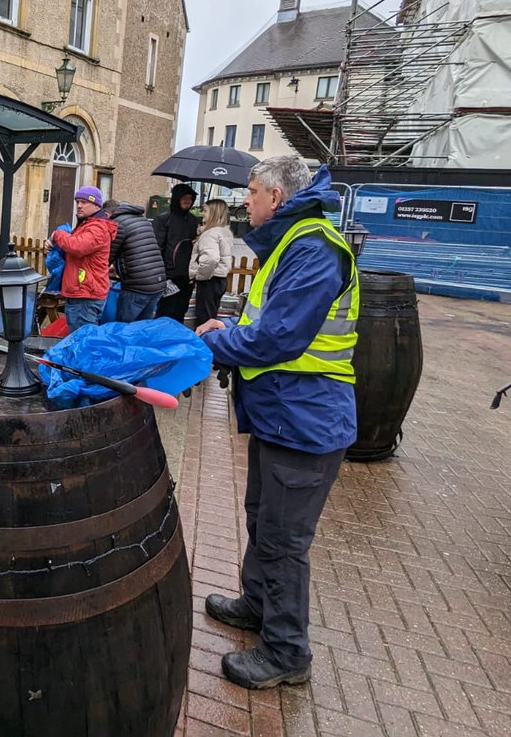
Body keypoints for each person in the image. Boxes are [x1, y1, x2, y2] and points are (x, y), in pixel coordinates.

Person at [194, 155, 359, 690]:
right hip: (282, 415)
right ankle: (257, 604)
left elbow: (279, 338)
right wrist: (229, 323)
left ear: (277, 198)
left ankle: (287, 652)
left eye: (252, 191)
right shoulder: (292, 243)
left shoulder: (313, 249)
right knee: (262, 518)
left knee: (285, 538)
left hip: (306, 418)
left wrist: (215, 345)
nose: (245, 201)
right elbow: (265, 318)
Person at [46, 186, 116, 332]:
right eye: (77, 201)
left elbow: (77, 246)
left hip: (86, 294)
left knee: (83, 339)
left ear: (97, 205)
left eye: (84, 202)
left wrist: (57, 235)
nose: (79, 206)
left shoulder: (97, 228)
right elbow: (74, 251)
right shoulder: (86, 224)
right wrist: (56, 247)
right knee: (82, 337)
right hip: (81, 292)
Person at [102, 199, 167, 322]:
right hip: (157, 282)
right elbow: (137, 250)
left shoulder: (117, 223)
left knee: (124, 327)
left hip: (137, 286)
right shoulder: (142, 220)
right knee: (142, 326)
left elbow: (107, 256)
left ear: (107, 214)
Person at [155, 183, 199, 322]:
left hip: (187, 276)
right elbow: (158, 247)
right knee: (166, 310)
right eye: (184, 198)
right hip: (169, 275)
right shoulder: (163, 219)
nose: (188, 201)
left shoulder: (193, 220)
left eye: (190, 198)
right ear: (176, 199)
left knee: (181, 310)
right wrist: (162, 273)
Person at [189, 199, 235, 325]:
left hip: (209, 280)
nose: (202, 214)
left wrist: (200, 276)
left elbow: (211, 258)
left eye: (205, 211)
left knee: (204, 320)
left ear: (214, 213)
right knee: (211, 316)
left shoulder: (210, 234)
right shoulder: (224, 232)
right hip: (220, 279)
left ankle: (204, 338)